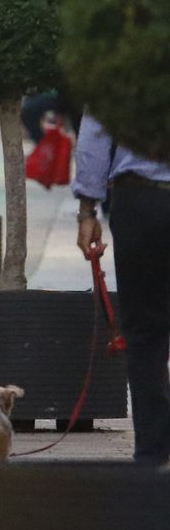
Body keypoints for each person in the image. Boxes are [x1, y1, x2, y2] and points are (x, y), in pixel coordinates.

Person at [75, 113, 170, 465]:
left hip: (141, 201)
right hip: (139, 198)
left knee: (145, 332)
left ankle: (151, 453)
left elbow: (96, 131)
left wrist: (87, 208)